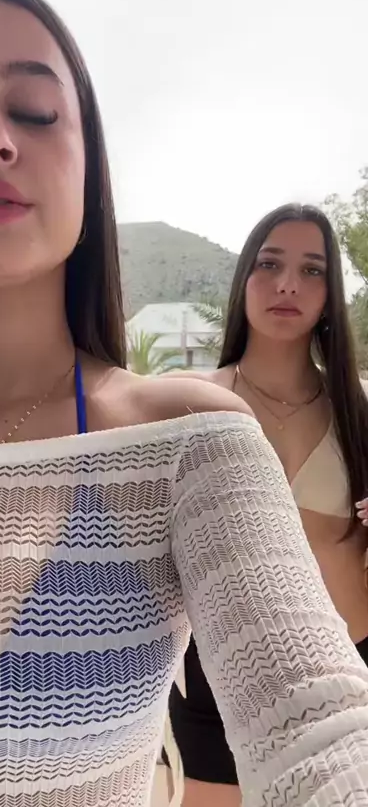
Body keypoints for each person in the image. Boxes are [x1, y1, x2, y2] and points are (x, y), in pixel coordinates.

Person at [0, 0, 368, 807]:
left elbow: (318, 724)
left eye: (35, 111)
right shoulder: (210, 385)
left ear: (91, 168)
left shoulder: (192, 438)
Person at [161, 203, 368, 806]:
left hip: (350, 674)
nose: (287, 285)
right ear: (244, 279)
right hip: (217, 674)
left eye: (312, 270)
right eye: (270, 264)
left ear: (330, 294)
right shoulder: (184, 403)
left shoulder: (359, 410)